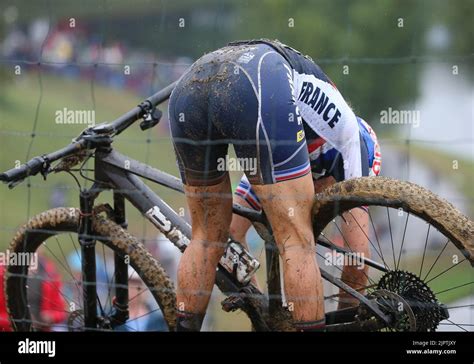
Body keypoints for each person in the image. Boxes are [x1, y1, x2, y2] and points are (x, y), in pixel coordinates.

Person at [168, 39, 380, 331]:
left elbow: (233, 232)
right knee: (296, 240)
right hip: (257, 82)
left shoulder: (296, 141)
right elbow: (358, 259)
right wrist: (349, 322)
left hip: (192, 84)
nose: (319, 192)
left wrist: (260, 306)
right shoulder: (353, 144)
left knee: (206, 238)